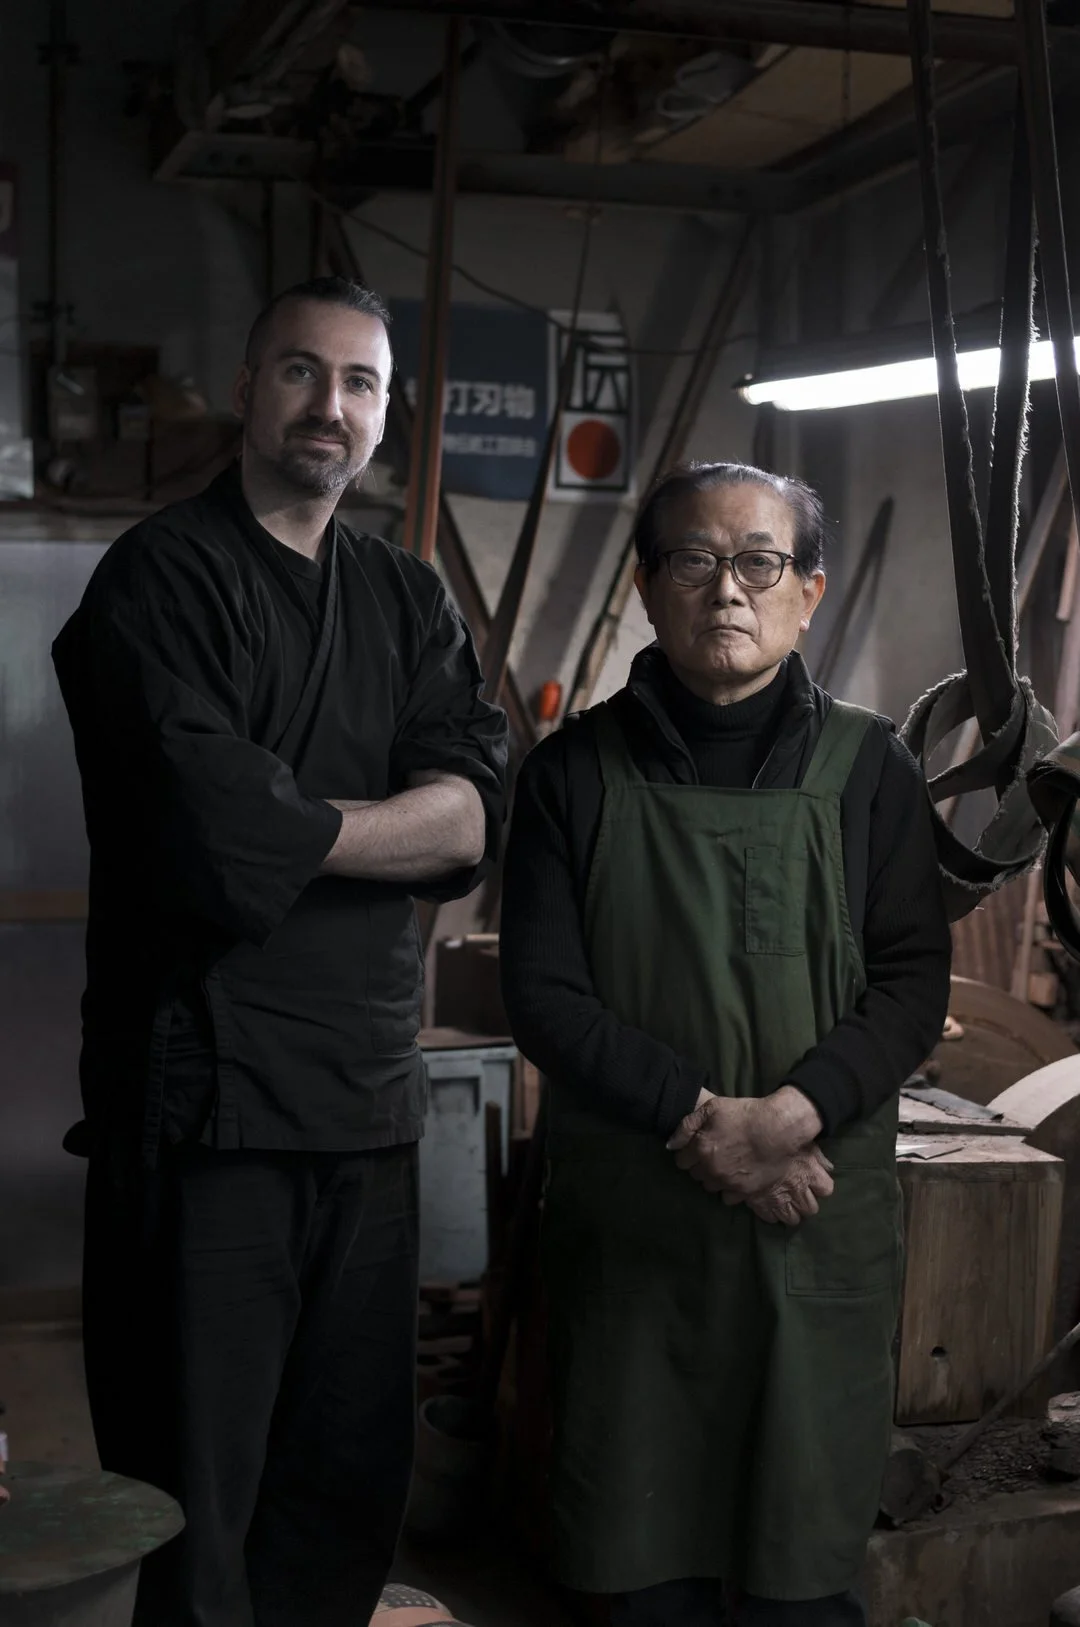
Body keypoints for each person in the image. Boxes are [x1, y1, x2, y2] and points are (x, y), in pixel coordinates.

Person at [53, 276, 507, 1627]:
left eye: (360, 382)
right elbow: (208, 826)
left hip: (367, 1103)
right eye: (301, 372)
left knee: (345, 1477)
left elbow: (478, 803)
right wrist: (389, 828)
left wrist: (309, 825)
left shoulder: (408, 595)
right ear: (250, 388)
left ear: (385, 416)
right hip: (207, 1108)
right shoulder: (159, 580)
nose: (331, 405)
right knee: (198, 1488)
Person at [500, 462, 951, 1626]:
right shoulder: (568, 774)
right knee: (634, 1574)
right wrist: (705, 1121)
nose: (728, 591)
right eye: (694, 561)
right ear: (647, 585)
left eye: (760, 562)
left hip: (813, 1230)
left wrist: (789, 1119)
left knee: (801, 1576)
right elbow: (543, 994)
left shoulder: (874, 770)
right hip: (636, 1238)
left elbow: (910, 983)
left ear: (810, 589)